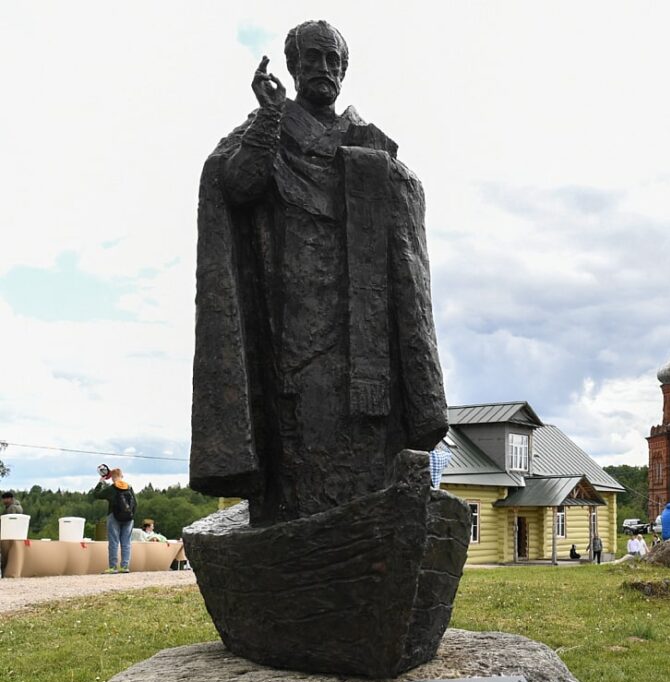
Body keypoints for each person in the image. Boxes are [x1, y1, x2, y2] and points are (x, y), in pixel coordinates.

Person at [191, 20, 448, 526]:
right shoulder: (267, 130)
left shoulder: (369, 143)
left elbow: (406, 219)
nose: (324, 69)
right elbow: (237, 184)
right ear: (293, 66)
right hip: (294, 335)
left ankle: (366, 565)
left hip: (368, 338)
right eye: (313, 58)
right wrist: (268, 117)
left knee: (370, 460)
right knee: (303, 465)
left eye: (333, 61)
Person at [92, 468, 137, 574]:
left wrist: (101, 482)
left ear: (112, 477)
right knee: (126, 542)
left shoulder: (112, 488)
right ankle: (125, 567)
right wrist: (131, 515)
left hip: (114, 516)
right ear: (122, 475)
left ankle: (113, 567)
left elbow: (96, 494)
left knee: (114, 542)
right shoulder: (129, 487)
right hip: (129, 518)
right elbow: (135, 503)